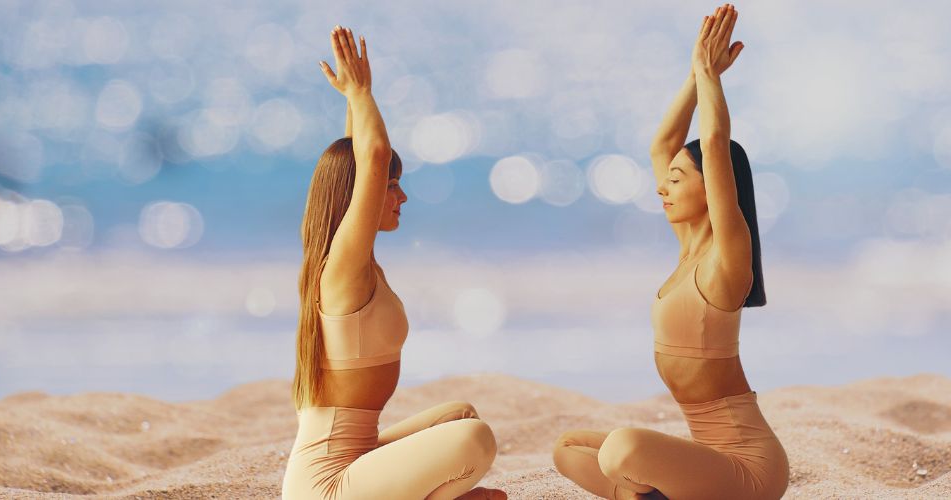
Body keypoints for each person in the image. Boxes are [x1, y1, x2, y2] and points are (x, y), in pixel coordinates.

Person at [552, 5, 789, 499]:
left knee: (621, 451)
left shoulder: (727, 264)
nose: (662, 188)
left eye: (678, 180)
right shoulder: (687, 252)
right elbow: (663, 142)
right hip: (706, 464)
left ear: (713, 190)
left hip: (749, 471)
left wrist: (710, 78)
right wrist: (693, 72)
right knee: (569, 448)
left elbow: (718, 145)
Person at [280, 25, 506, 500]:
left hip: (358, 461)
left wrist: (350, 101)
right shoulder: (340, 270)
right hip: (327, 486)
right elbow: (372, 157)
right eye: (391, 185)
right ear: (360, 193)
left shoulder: (352, 263)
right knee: (474, 439)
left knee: (461, 415)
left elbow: (359, 160)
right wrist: (363, 93)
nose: (401, 195)